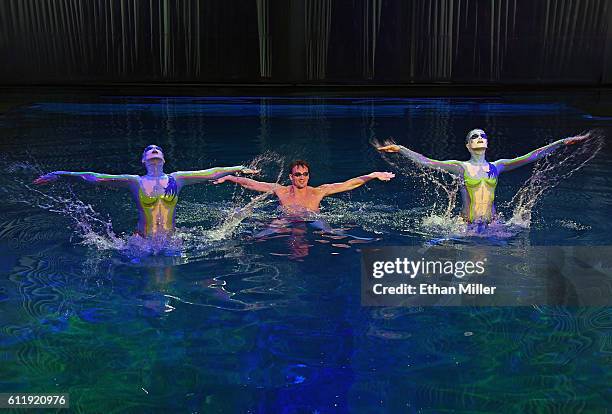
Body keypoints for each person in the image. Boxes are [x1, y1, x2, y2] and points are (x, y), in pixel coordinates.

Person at [34, 144, 256, 237]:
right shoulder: (134, 181)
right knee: (145, 281)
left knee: (169, 280)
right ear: (143, 160)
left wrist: (239, 168)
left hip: (170, 239)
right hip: (141, 240)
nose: (154, 150)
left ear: (163, 158)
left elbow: (211, 172)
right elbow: (96, 178)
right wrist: (60, 174)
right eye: (149, 150)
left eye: (157, 149)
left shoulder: (177, 179)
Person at [376, 129, 590, 224]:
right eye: (474, 137)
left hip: (492, 225)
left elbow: (531, 156)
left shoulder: (498, 166)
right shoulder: (460, 167)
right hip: (465, 226)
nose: (479, 138)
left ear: (487, 143)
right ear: (468, 145)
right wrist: (401, 148)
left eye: (483, 136)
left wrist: (562, 142)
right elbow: (427, 161)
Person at [213, 160, 395, 214]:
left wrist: (371, 176)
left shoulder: (319, 191)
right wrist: (229, 177)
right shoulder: (280, 190)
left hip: (312, 219)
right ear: (291, 177)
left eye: (305, 174)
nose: (302, 178)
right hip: (285, 221)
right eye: (298, 175)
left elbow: (348, 184)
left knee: (333, 234)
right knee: (260, 236)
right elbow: (253, 184)